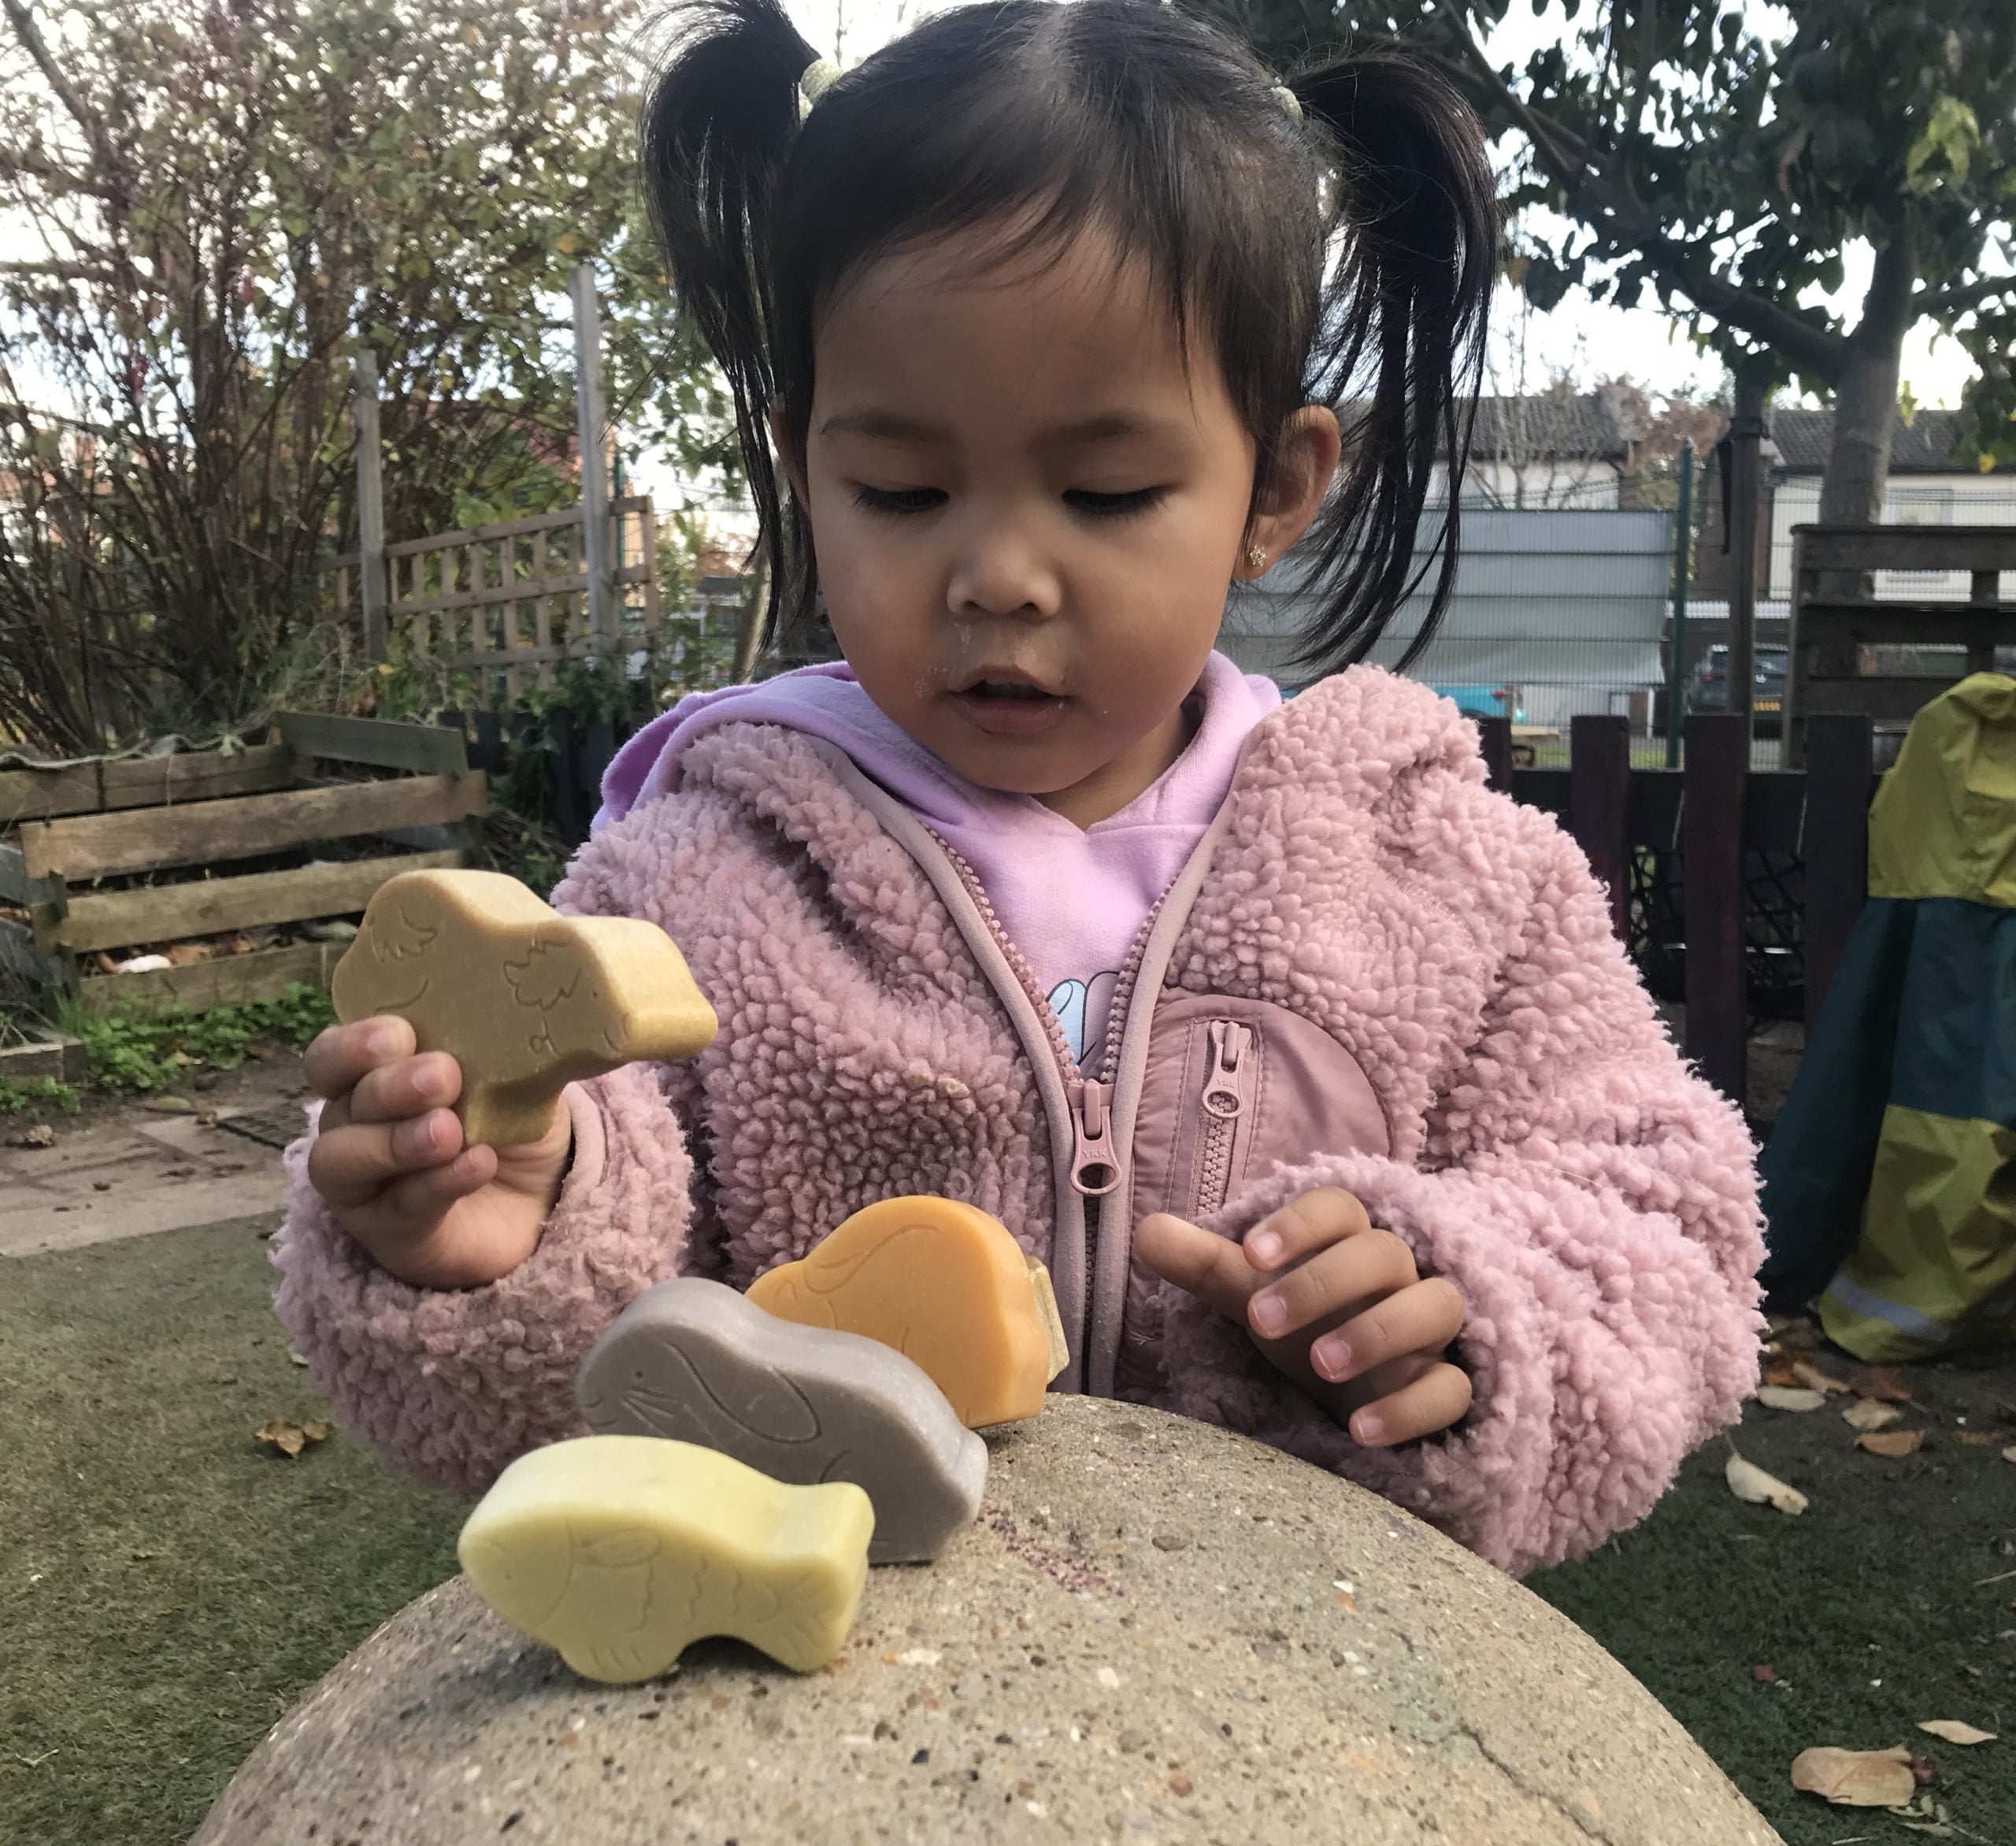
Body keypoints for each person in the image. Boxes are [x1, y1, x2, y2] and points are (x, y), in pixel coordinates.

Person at [277, 0, 1762, 1577]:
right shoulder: (694, 880)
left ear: (1274, 488)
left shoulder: (1444, 878)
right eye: (901, 489)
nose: (995, 574)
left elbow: (1671, 1218)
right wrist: (497, 1231)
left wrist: (1468, 1303)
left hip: (1296, 1703)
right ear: (801, 466)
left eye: (1106, 490)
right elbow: (586, 1370)